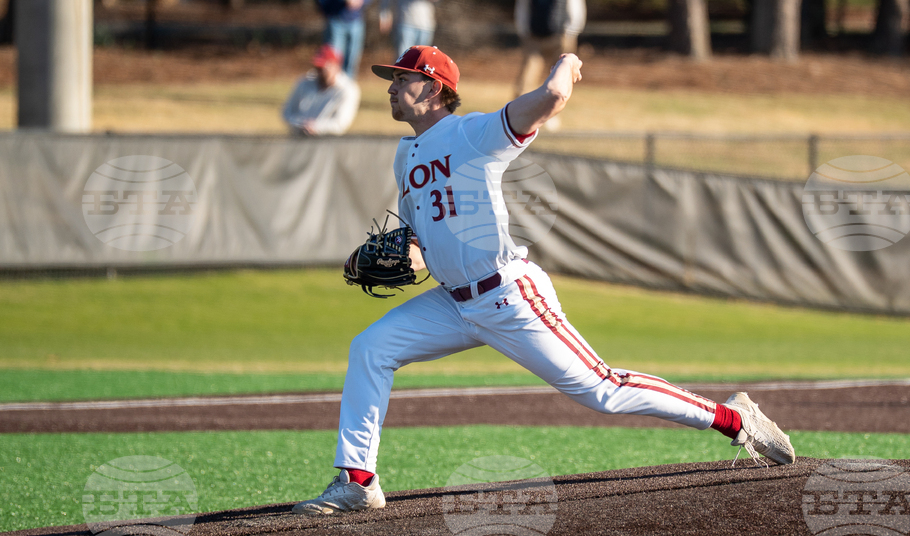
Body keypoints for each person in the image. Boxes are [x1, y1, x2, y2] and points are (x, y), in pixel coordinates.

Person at [292, 45, 795, 515]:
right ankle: (358, 481)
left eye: (401, 79)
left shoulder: (473, 133)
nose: (390, 87)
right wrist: (392, 259)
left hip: (507, 294)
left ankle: (734, 419)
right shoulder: (406, 155)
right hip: (452, 304)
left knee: (603, 390)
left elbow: (552, 97)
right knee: (371, 347)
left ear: (433, 87)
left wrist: (567, 61)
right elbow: (421, 247)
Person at [513, 0, 587, 130]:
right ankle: (519, 115)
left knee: (559, 78)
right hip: (534, 36)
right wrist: (523, 29)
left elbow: (575, 6)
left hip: (559, 36)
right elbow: (523, 7)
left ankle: (551, 115)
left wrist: (571, 31)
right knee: (527, 77)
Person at [282, 45, 360, 136]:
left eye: (323, 68)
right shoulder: (304, 83)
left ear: (335, 66)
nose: (319, 72)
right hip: (298, 138)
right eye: (317, 68)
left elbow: (340, 124)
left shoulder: (348, 90)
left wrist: (316, 127)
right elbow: (287, 113)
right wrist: (301, 124)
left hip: (329, 141)